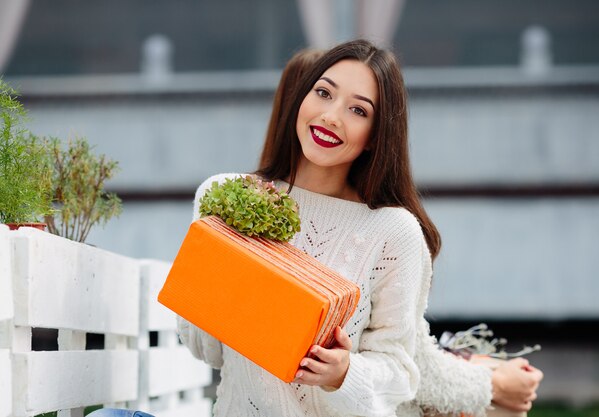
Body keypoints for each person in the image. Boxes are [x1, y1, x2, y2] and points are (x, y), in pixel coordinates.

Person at [179, 39, 543, 417]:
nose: (332, 116)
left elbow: (401, 372)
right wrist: (217, 281)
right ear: (302, 98)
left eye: (358, 109)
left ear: (375, 136)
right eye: (323, 93)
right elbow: (205, 350)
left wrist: (344, 374)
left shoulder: (394, 231)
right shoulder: (225, 194)